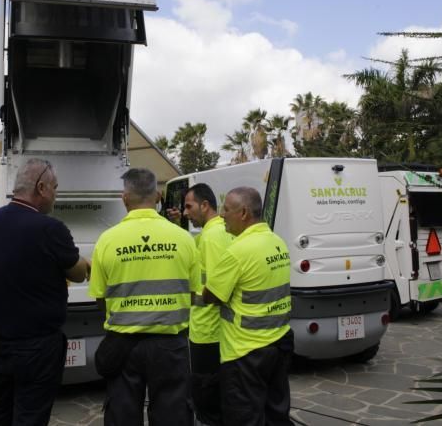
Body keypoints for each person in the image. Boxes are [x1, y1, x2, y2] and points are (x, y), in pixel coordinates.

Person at [0, 158, 90, 425]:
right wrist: (85, 262)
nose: (56, 194)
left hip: (0, 340)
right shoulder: (50, 228)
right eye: (55, 187)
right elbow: (77, 273)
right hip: (37, 345)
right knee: (30, 414)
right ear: (41, 187)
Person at [89, 168, 198, 426]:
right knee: (174, 416)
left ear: (124, 198)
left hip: (123, 346)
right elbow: (192, 294)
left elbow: (99, 298)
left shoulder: (107, 241)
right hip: (171, 346)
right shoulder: (184, 239)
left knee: (122, 416)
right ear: (158, 196)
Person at [203, 187, 293, 426]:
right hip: (278, 343)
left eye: (226, 209)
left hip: (244, 352)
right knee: (276, 414)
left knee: (244, 418)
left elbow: (211, 296)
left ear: (243, 213)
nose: (221, 215)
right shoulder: (277, 242)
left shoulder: (237, 252)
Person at [182, 183, 233, 425]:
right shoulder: (222, 231)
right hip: (220, 331)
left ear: (205, 205)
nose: (185, 212)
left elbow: (214, 289)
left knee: (206, 401)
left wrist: (187, 297)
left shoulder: (211, 238)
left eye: (188, 206)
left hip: (206, 332)